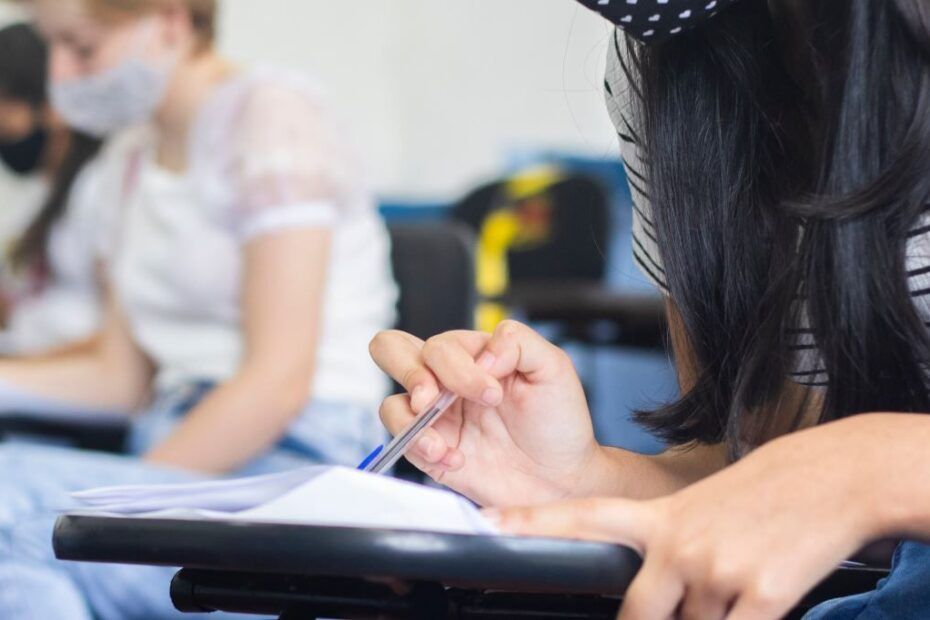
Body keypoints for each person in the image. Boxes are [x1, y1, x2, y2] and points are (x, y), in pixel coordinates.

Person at [370, 0, 930, 618]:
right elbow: (762, 470)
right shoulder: (674, 58)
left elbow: (833, 480)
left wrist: (868, 463)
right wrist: (577, 480)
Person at [0, 0, 396, 617]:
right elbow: (119, 377)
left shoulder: (272, 120)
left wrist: (118, 509)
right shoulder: (126, 161)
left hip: (294, 461)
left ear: (169, 21)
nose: (62, 75)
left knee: (17, 511)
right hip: (177, 447)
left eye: (79, 47)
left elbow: (277, 382)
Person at [0, 22, 104, 355]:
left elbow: (105, 334)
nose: (4, 131)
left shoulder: (98, 188)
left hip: (60, 378)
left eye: (6, 113)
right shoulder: (38, 196)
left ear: (51, 107)